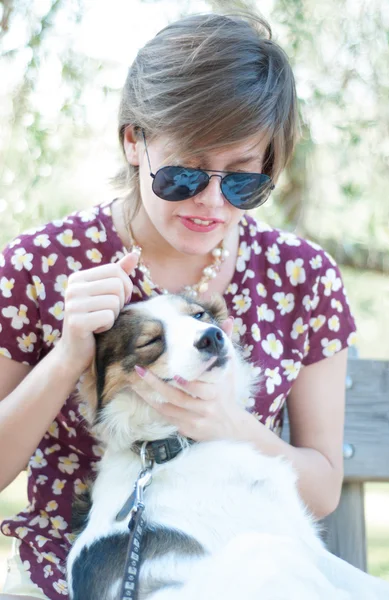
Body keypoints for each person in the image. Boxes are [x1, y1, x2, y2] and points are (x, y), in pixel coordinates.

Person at [0, 12, 356, 600]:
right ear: (134, 141)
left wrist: (228, 424)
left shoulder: (303, 278)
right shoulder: (42, 265)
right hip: (74, 577)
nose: (212, 203)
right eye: (185, 173)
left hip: (248, 574)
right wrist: (67, 358)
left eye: (244, 181)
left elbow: (320, 487)